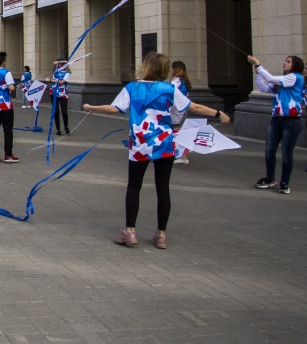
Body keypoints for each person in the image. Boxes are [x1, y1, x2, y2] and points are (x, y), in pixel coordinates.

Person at [82, 52, 228, 249]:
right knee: (163, 188)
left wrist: (90, 107)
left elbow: (115, 108)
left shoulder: (132, 87)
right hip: (165, 142)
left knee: (134, 186)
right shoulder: (169, 89)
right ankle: (161, 235)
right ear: (165, 70)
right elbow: (195, 108)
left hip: (140, 143)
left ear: (146, 67)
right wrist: (218, 113)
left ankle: (130, 231)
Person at [248, 54, 305, 195]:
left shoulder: (295, 77)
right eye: (285, 61)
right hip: (277, 119)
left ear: (295, 65)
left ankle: (285, 182)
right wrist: (258, 74)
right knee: (269, 150)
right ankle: (270, 178)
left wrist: (258, 65)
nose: (285, 63)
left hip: (291, 121)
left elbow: (271, 78)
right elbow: (264, 88)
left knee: (286, 154)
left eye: (288, 61)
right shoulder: (282, 81)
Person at [170, 61, 193, 165]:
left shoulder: (177, 80)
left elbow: (171, 91)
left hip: (176, 109)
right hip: (182, 108)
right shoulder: (184, 80)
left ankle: (182, 156)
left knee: (175, 131)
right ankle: (180, 155)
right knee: (176, 131)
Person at [43, 59, 71, 135]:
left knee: (64, 111)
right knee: (56, 111)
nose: (60, 65)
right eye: (60, 64)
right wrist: (59, 62)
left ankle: (66, 126)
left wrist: (51, 80)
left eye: (62, 64)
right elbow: (53, 63)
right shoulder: (56, 71)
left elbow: (62, 82)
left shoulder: (67, 73)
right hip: (54, 93)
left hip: (63, 94)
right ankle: (58, 129)